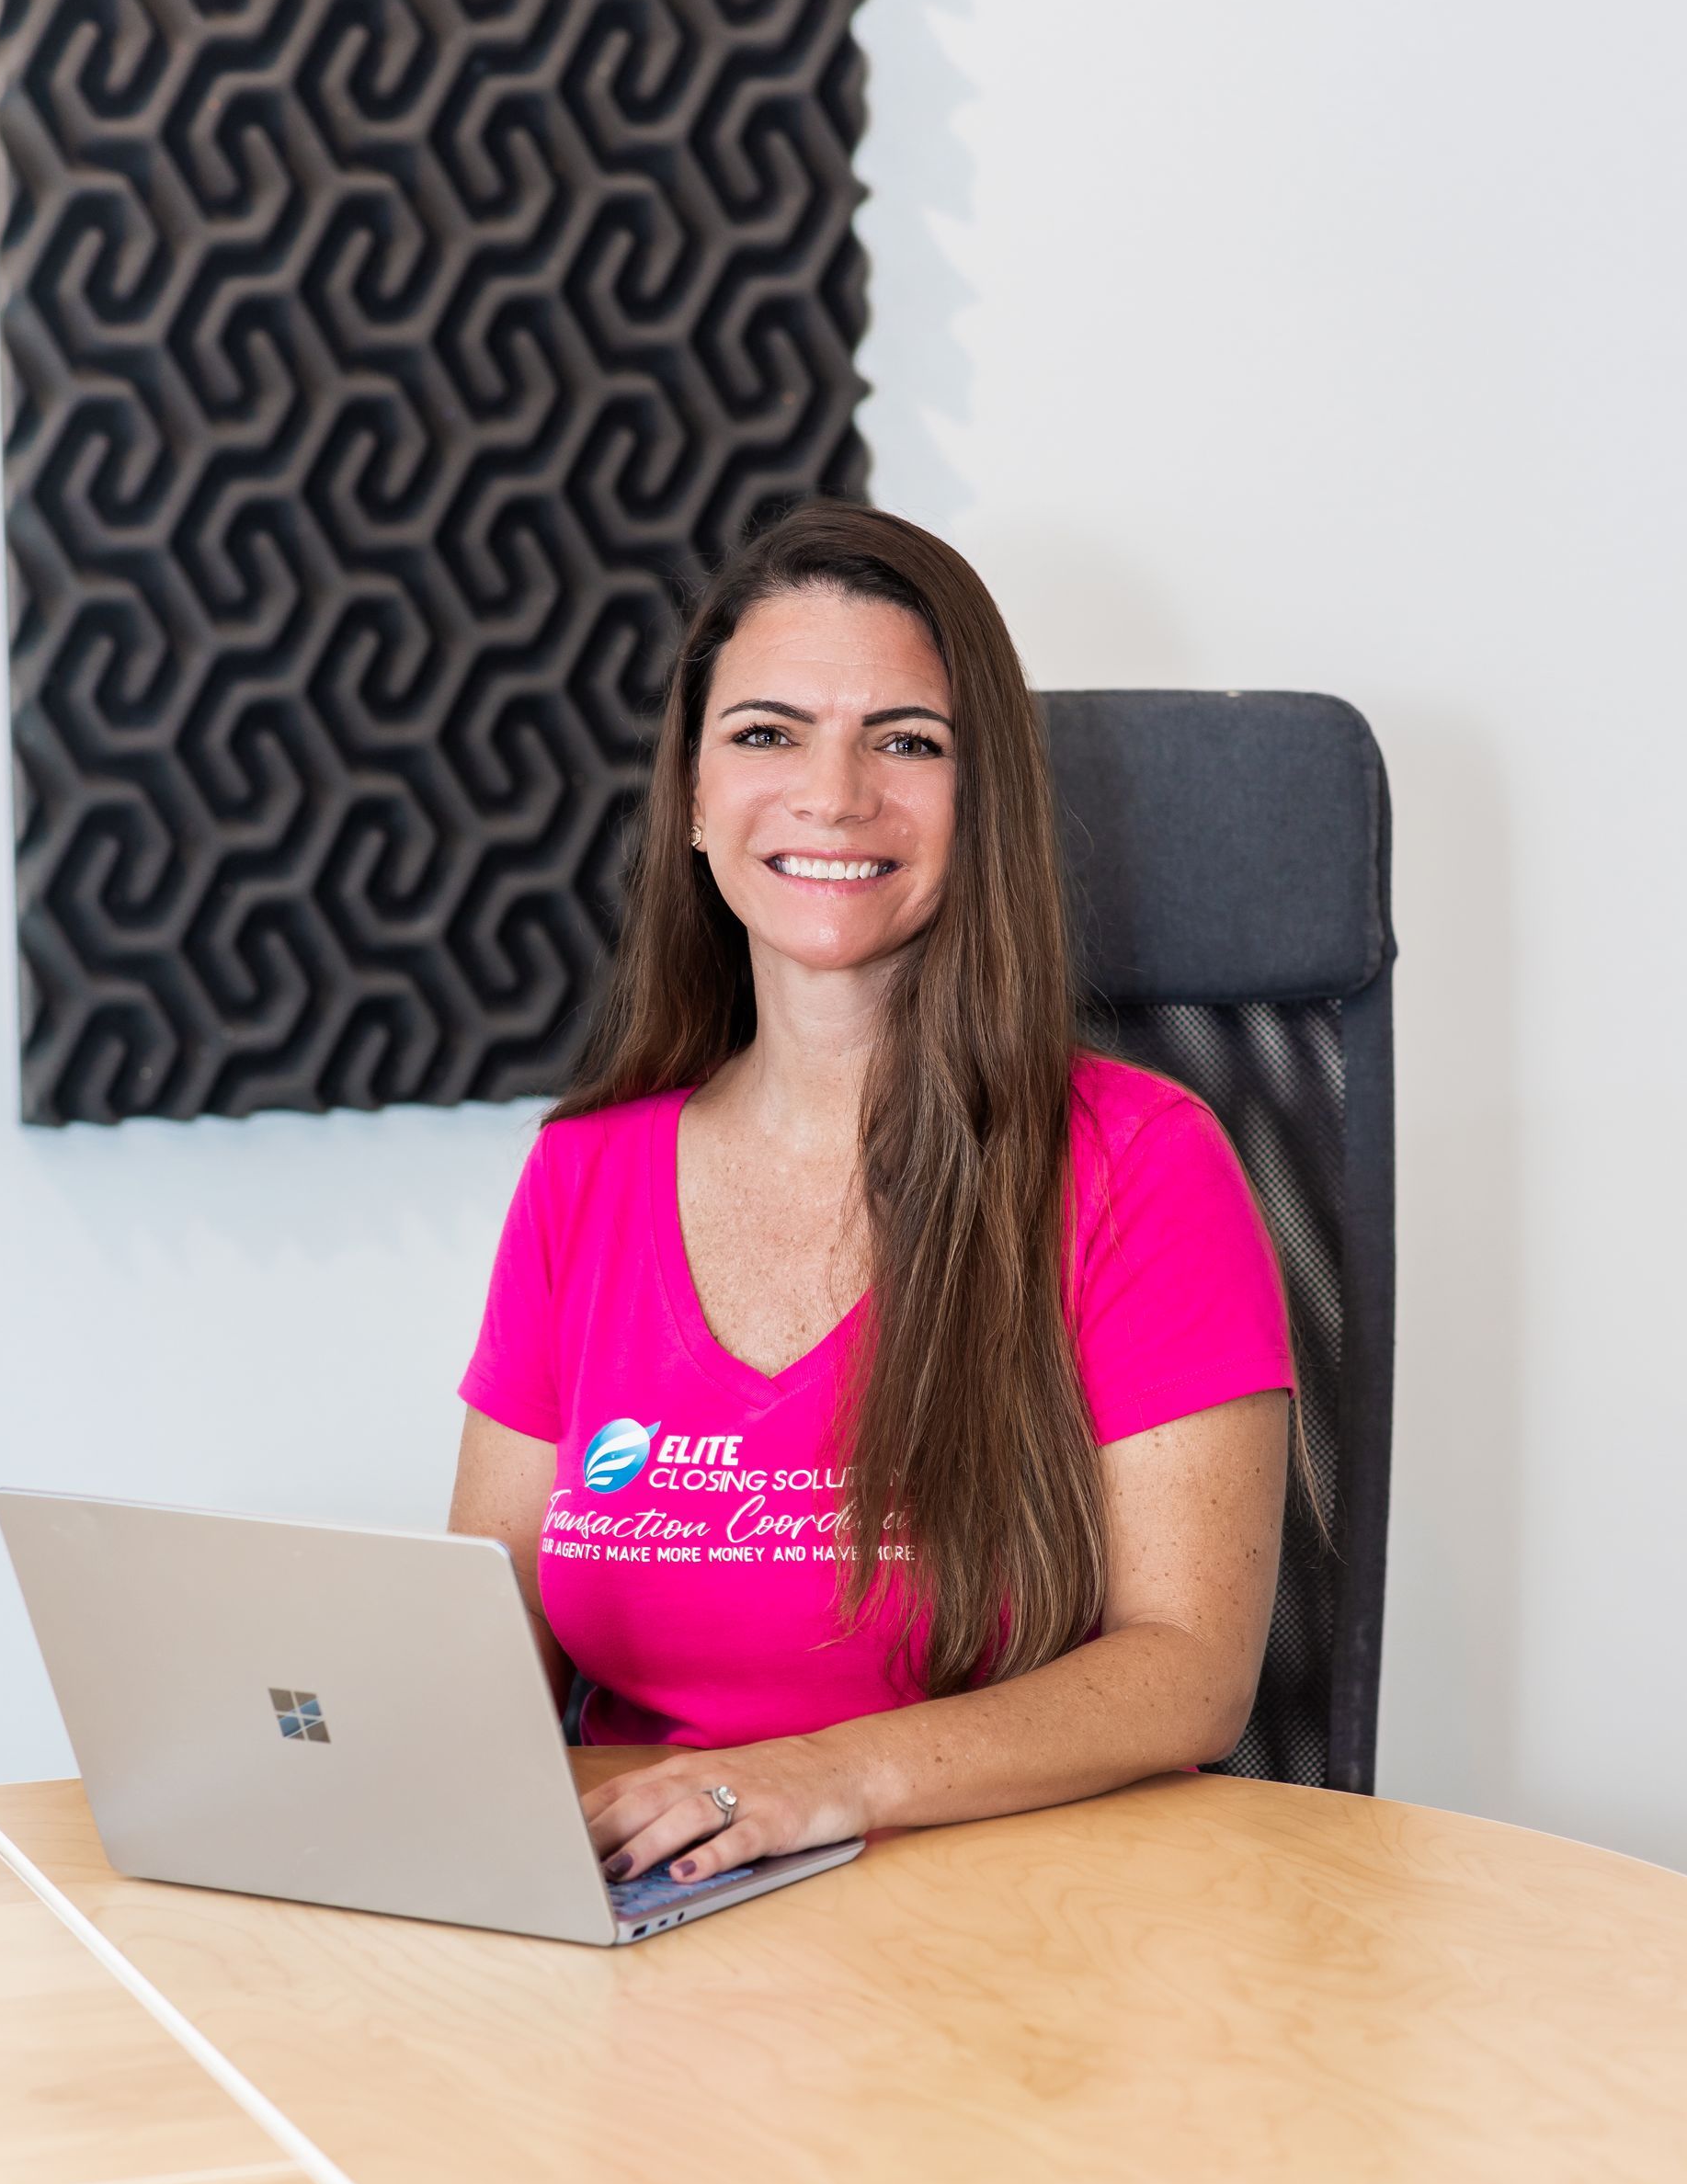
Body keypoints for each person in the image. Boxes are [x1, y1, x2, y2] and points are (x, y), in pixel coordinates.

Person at [450, 501, 1293, 1888]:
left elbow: (1191, 1669)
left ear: (985, 801)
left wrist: (818, 1779)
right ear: (697, 797)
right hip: (651, 1918)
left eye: (905, 741)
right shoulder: (582, 1175)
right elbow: (481, 1651)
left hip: (1017, 1936)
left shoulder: (1142, 1162)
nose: (833, 796)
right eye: (767, 733)